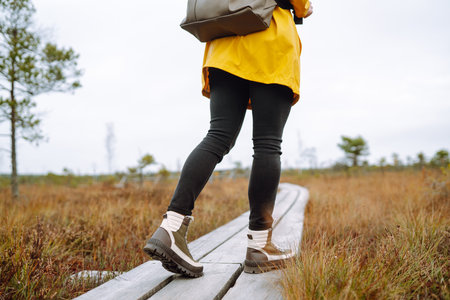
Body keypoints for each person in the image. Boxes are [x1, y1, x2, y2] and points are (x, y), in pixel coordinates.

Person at [143, 0, 313, 278]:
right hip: (269, 43)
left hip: (223, 47)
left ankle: (171, 227)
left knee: (217, 136)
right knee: (268, 144)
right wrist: (304, 8)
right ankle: (259, 247)